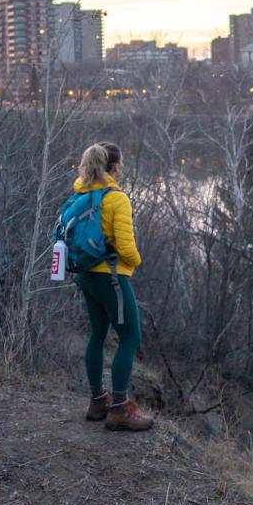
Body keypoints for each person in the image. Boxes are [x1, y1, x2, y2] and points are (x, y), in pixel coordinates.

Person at [72, 141, 154, 431]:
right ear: (115, 167)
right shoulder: (117, 199)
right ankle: (119, 409)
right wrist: (137, 261)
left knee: (97, 334)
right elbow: (127, 248)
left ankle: (98, 401)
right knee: (130, 337)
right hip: (111, 276)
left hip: (85, 275)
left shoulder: (82, 192)